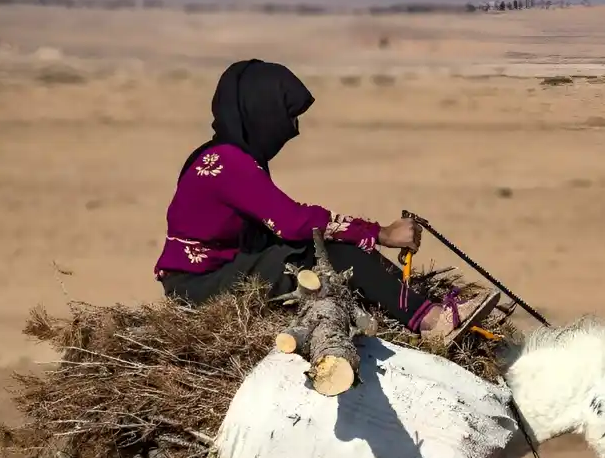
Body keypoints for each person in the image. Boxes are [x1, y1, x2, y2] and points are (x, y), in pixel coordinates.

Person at [153, 59, 500, 345]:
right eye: (287, 116)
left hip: (219, 271)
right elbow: (291, 222)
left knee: (328, 246)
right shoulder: (229, 162)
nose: (294, 128)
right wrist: (380, 233)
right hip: (200, 287)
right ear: (262, 113)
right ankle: (432, 321)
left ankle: (419, 306)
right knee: (333, 252)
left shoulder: (226, 156)